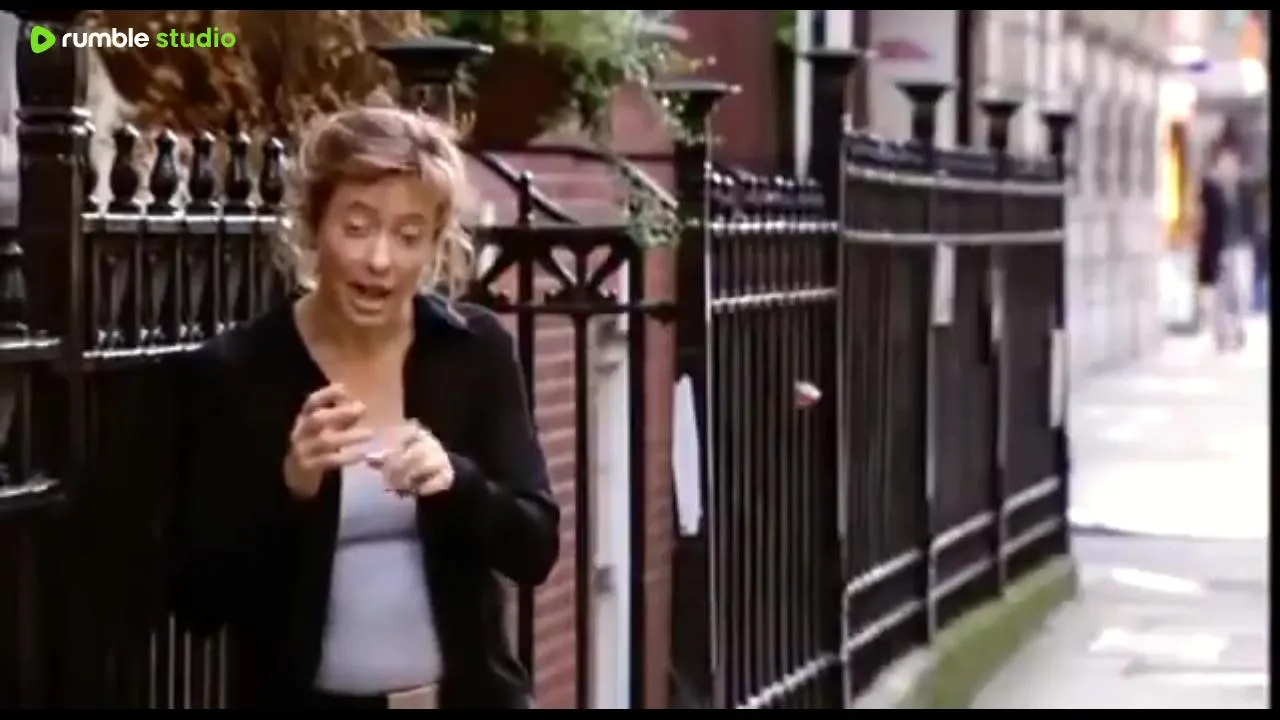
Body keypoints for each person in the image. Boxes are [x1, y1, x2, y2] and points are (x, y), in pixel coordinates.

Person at [172, 104, 560, 709]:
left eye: (408, 236)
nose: (380, 260)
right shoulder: (239, 371)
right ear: (313, 225)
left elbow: (535, 549)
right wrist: (290, 488)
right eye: (357, 227)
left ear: (435, 244)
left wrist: (460, 483)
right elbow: (198, 600)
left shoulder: (473, 349)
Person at [1195, 140, 1255, 351]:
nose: (1228, 167)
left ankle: (1238, 329)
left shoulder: (1244, 189)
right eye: (1224, 163)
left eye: (1231, 163)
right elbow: (1204, 218)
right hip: (1219, 249)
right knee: (1220, 294)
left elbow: (1251, 217)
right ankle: (1221, 335)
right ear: (1218, 165)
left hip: (1241, 247)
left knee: (1240, 292)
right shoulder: (1211, 189)